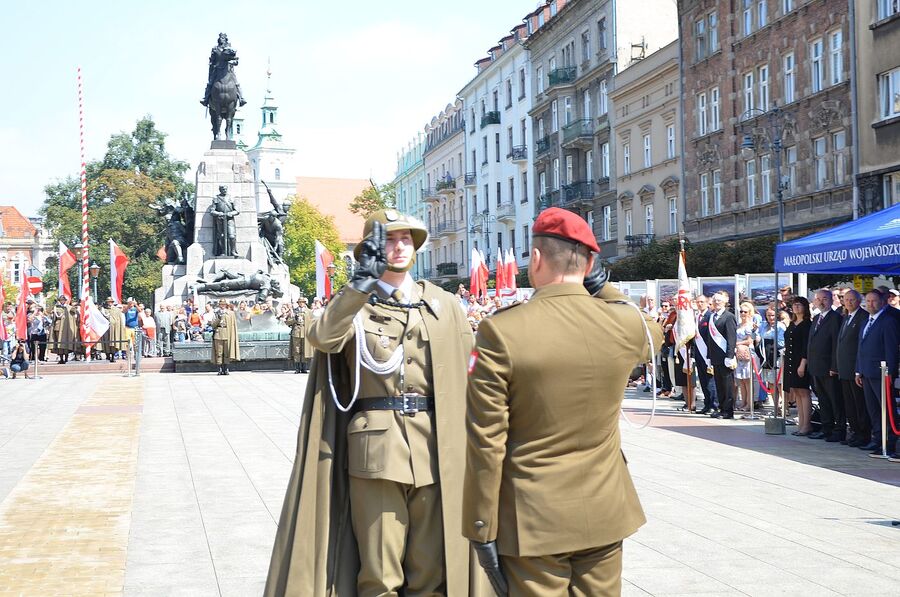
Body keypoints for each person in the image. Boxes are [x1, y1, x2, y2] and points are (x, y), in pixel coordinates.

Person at [265, 209, 489, 596]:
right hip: (378, 452)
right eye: (388, 239)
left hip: (438, 449)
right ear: (371, 248)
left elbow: (469, 372)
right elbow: (322, 338)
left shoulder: (444, 304)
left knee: (431, 573)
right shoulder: (355, 303)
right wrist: (357, 287)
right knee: (380, 576)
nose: (399, 246)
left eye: (406, 239)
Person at [463, 208, 662, 596]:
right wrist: (605, 288)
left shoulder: (500, 331)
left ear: (535, 259)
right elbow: (650, 329)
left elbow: (486, 441)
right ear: (590, 264)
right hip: (605, 508)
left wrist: (480, 524)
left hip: (533, 517)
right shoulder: (622, 325)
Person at [855, 290, 899, 455]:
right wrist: (858, 370)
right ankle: (878, 440)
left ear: (882, 302)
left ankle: (890, 442)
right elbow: (861, 348)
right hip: (866, 372)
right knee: (873, 409)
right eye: (868, 301)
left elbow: (891, 350)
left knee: (886, 409)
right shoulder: (866, 321)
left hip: (881, 374)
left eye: (874, 301)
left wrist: (890, 373)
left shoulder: (888, 321)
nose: (870, 304)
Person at [807, 289, 844, 441]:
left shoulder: (835, 318)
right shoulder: (816, 318)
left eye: (825, 299)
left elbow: (836, 343)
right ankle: (826, 427)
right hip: (816, 367)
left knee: (835, 400)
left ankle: (839, 429)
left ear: (831, 300)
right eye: (819, 299)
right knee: (823, 399)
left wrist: (834, 367)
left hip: (829, 368)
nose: (821, 302)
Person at [836, 290, 869, 447]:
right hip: (844, 368)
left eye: (852, 300)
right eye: (846, 299)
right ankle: (855, 432)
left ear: (858, 301)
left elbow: (861, 346)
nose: (848, 302)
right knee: (849, 403)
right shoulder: (846, 317)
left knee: (859, 403)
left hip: (855, 368)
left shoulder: (863, 317)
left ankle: (863, 434)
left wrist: (858, 369)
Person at [785, 297, 813, 435]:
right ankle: (801, 424)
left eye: (799, 305)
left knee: (803, 392)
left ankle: (806, 425)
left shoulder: (807, 324)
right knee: (796, 392)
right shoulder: (792, 323)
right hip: (791, 360)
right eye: (794, 305)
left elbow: (805, 346)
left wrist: (803, 364)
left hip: (801, 361)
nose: (796, 307)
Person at [707, 292, 738, 419]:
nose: (717, 302)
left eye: (719, 300)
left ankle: (728, 411)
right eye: (715, 300)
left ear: (725, 301)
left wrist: (729, 356)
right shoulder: (712, 316)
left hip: (725, 356)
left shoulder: (729, 317)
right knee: (719, 384)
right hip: (715, 356)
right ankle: (721, 408)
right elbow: (710, 339)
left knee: (727, 385)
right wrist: (709, 356)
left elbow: (731, 338)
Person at [200, 32, 247, 107]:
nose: (221, 39)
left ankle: (242, 98)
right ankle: (205, 99)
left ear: (225, 40)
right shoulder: (215, 49)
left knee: (236, 83)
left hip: (228, 70)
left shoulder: (229, 49)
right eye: (220, 38)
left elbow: (236, 60)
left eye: (222, 38)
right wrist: (212, 65)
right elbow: (212, 60)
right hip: (217, 70)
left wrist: (231, 62)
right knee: (210, 83)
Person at [693, 294, 719, 414]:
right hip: (698, 353)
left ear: (707, 303)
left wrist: (710, 354)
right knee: (703, 380)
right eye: (698, 302)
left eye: (702, 302)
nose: (700, 304)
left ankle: (714, 404)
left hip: (707, 353)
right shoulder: (696, 317)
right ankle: (706, 404)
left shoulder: (710, 316)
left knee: (710, 380)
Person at [759, 306, 786, 415]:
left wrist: (770, 342)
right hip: (766, 357)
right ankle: (776, 407)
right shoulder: (763, 326)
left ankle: (785, 407)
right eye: (769, 315)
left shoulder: (780, 326)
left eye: (773, 315)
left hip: (778, 357)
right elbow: (758, 337)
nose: (771, 318)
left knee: (780, 383)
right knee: (771, 383)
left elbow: (781, 342)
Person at [734, 301, 758, 411]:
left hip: (747, 354)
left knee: (748, 380)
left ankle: (749, 403)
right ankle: (743, 402)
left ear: (749, 313)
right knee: (741, 380)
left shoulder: (750, 326)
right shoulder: (738, 325)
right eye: (741, 311)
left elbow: (750, 340)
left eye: (745, 311)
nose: (743, 313)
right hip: (738, 354)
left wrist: (737, 343)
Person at [210, 299, 240, 375]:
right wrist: (218, 318)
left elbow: (233, 325)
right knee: (219, 352)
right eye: (221, 304)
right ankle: (220, 369)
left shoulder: (230, 313)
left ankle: (226, 368)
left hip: (227, 334)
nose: (222, 306)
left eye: (224, 304)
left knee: (226, 352)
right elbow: (213, 325)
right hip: (218, 334)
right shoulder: (216, 313)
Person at [284, 297, 313, 374]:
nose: (301, 303)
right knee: (296, 350)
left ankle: (304, 368)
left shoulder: (309, 312)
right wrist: (294, 319)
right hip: (296, 333)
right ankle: (297, 368)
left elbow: (313, 322)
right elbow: (287, 322)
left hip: (305, 333)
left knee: (304, 350)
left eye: (303, 302)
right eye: (300, 302)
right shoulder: (294, 311)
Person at [50, 296, 79, 364]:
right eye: (61, 300)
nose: (62, 301)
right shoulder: (56, 308)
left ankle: (66, 358)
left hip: (66, 328)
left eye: (63, 300)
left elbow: (75, 311)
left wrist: (74, 305)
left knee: (66, 343)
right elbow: (54, 318)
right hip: (58, 327)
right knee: (59, 344)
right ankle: (61, 358)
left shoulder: (69, 307)